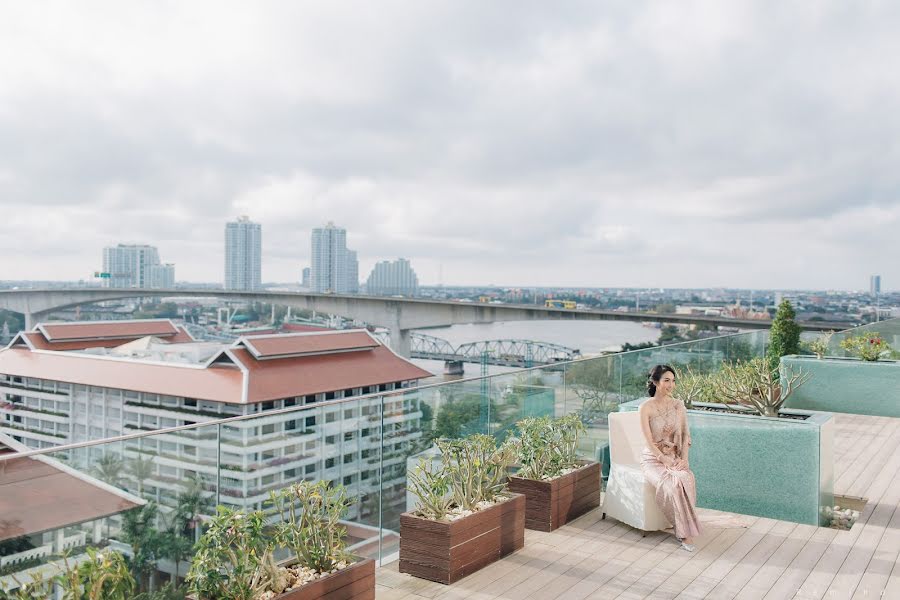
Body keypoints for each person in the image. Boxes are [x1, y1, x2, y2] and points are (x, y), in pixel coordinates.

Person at [639, 364, 702, 552]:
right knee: (672, 484)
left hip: (674, 456)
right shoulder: (645, 408)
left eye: (673, 381)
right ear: (655, 382)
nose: (671, 384)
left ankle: (685, 526)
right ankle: (683, 532)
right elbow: (648, 440)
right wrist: (662, 458)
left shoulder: (678, 405)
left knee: (686, 477)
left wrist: (684, 459)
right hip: (652, 459)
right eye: (666, 380)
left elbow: (684, 435)